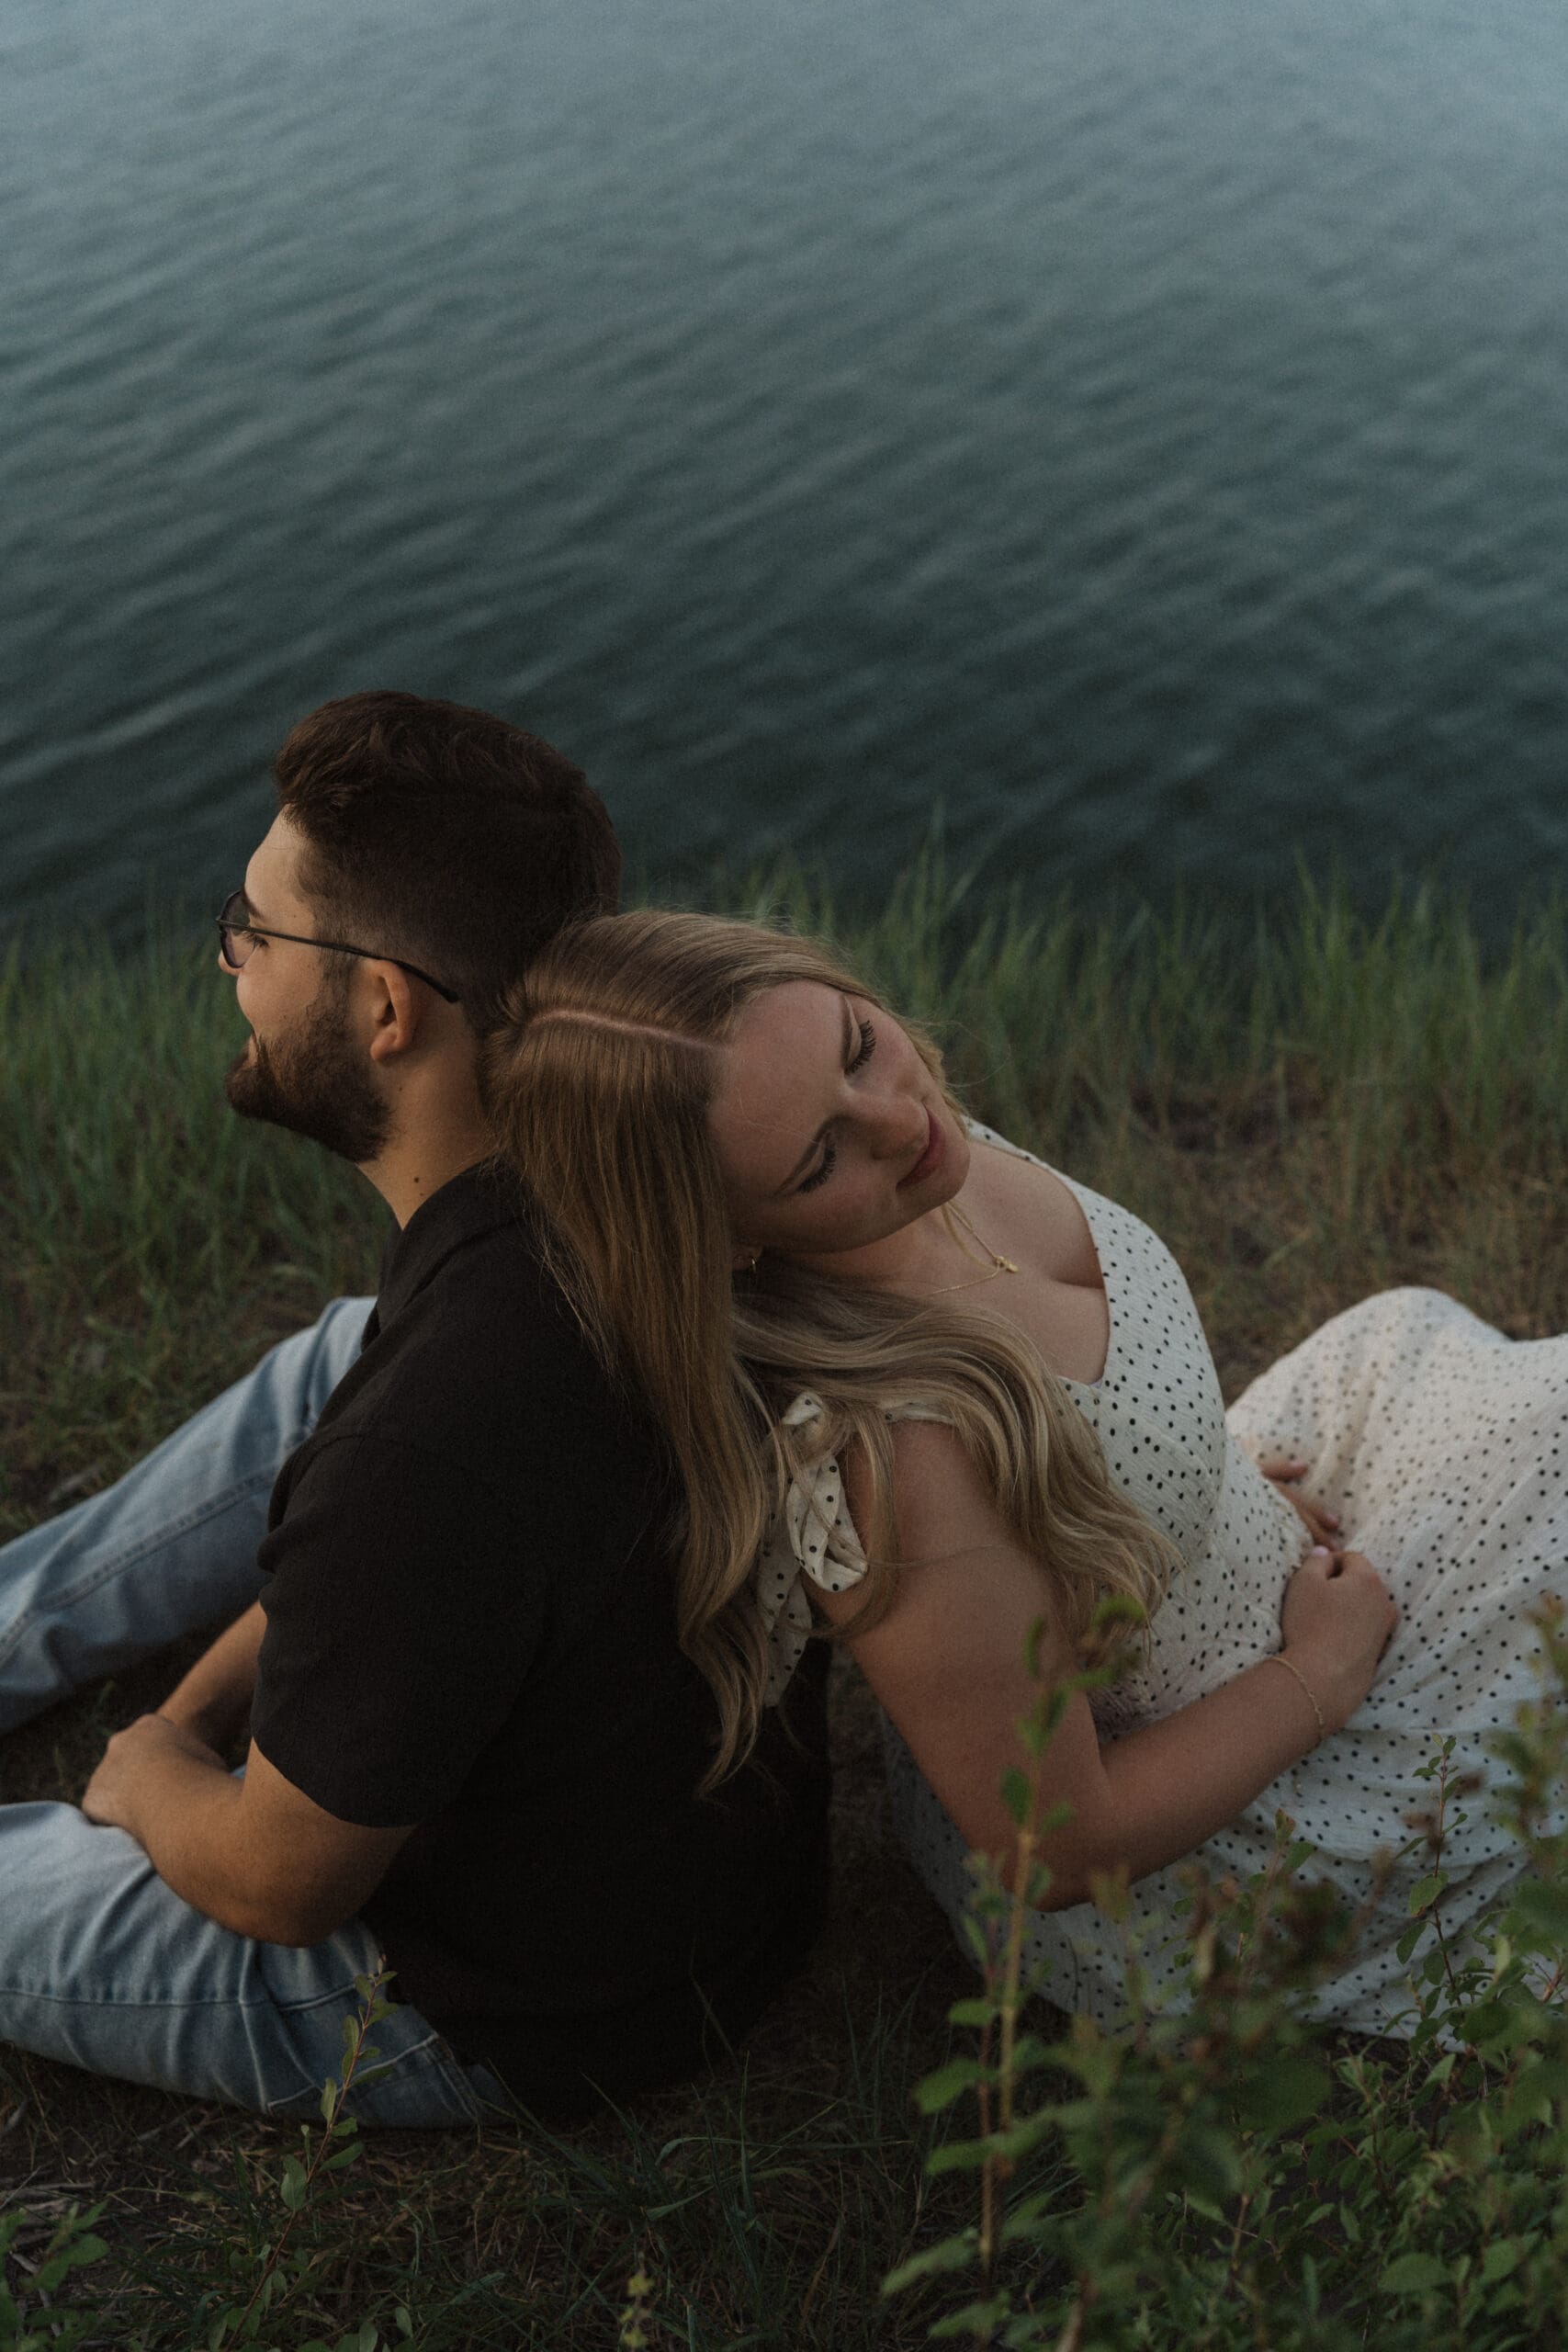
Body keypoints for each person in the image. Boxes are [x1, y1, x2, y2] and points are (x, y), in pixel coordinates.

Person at [478, 903, 1565, 2034]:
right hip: (1229, 1812)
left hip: (1245, 1568)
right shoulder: (896, 1455)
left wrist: (1191, 1492)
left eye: (859, 1044)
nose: (898, 1119)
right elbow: (1057, 1846)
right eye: (818, 1160)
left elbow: (1088, 1437)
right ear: (730, 1238)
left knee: (1431, 1355)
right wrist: (1319, 1675)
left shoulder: (917, 1157)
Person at [0, 695, 829, 2126]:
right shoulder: (620, 1195)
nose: (228, 961)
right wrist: (198, 1701)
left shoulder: (436, 1440)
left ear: (386, 1008)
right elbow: (398, 1541)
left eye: (255, 932)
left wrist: (151, 1772)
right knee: (345, 1351)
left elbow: (279, 1883)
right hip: (710, 1893)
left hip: (487, 1997)